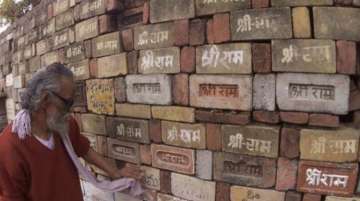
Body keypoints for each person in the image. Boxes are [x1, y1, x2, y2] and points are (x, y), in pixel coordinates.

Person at [0, 63, 144, 201]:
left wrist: (115, 172)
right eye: (66, 103)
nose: (70, 110)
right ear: (45, 99)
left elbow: (85, 150)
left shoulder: (64, 126)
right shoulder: (9, 147)